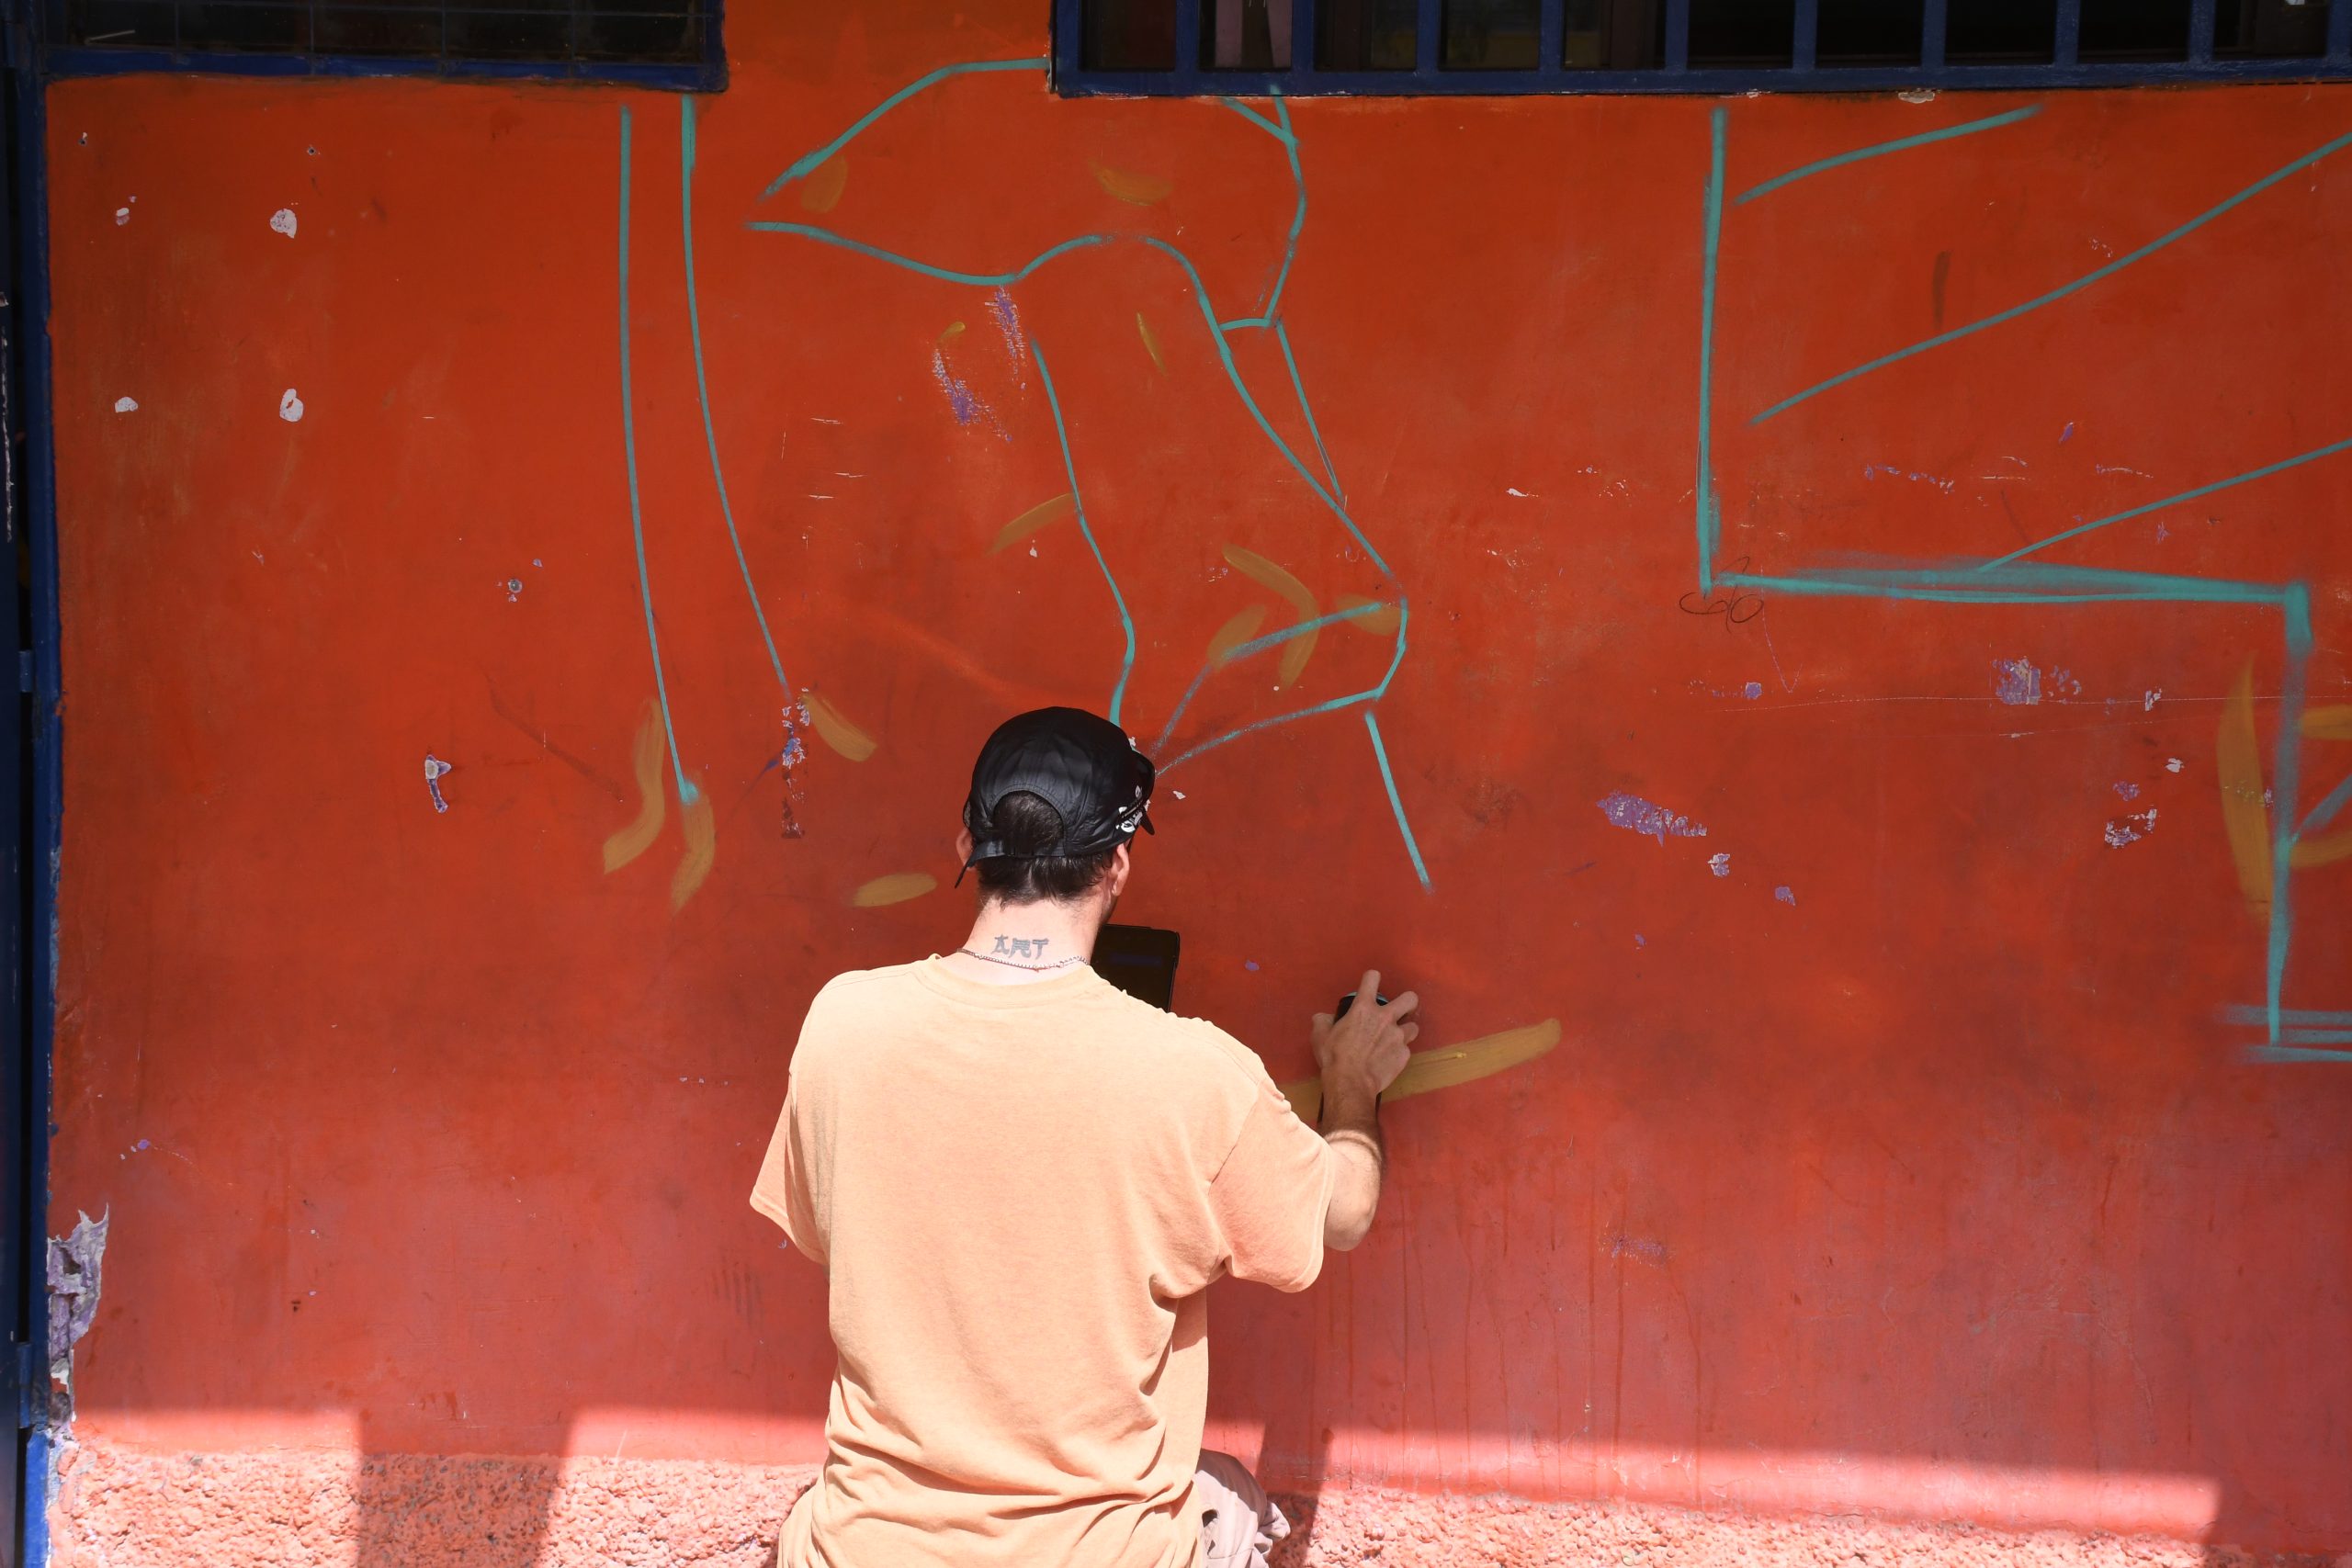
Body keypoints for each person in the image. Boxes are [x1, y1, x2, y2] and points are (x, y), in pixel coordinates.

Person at [752, 705, 1420, 1568]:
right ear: (1118, 864)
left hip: (860, 1552)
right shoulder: (1192, 1071)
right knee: (1234, 1502)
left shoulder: (841, 1024)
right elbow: (1344, 1212)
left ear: (967, 845)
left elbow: (825, 1233)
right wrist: (1353, 1086)